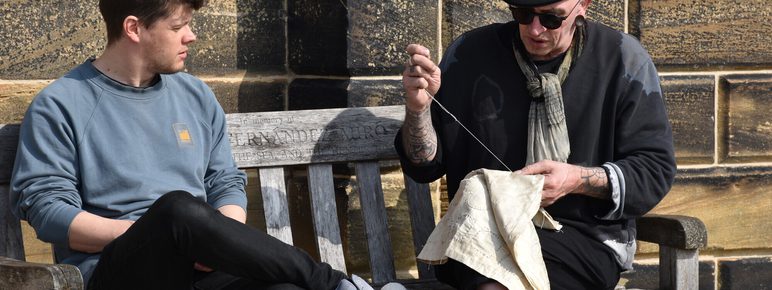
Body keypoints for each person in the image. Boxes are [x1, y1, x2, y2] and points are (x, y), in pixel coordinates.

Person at [10, 1, 405, 290]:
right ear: (134, 28)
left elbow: (225, 181)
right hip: (119, 272)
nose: (191, 36)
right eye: (178, 26)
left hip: (201, 266)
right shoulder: (61, 103)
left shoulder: (195, 94)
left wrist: (215, 240)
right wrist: (159, 232)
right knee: (178, 210)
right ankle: (336, 284)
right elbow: (49, 212)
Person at [397, 0, 676, 289]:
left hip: (583, 239)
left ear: (583, 7)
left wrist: (576, 180)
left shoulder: (622, 58)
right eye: (522, 13)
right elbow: (424, 166)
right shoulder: (469, 53)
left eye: (551, 19)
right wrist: (418, 111)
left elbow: (654, 171)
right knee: (493, 278)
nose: (534, 29)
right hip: (482, 229)